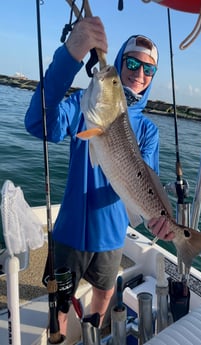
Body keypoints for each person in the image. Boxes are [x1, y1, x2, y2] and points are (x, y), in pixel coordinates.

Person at [25, 17, 174, 337]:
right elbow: (37, 123)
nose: (139, 73)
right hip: (69, 232)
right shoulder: (84, 106)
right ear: (119, 62)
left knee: (105, 293)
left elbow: (145, 183)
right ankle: (58, 338)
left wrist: (158, 218)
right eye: (133, 62)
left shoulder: (148, 131)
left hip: (112, 237)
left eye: (149, 69)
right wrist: (70, 55)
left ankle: (92, 330)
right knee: (59, 305)